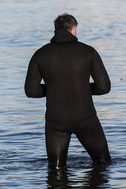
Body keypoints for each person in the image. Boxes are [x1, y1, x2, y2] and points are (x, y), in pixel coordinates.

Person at [24, 13, 112, 168]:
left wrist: (54, 89)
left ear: (54, 32)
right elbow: (104, 87)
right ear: (74, 30)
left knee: (56, 169)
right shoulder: (88, 52)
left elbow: (31, 91)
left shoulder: (40, 54)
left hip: (55, 122)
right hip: (86, 119)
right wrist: (80, 88)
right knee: (103, 164)